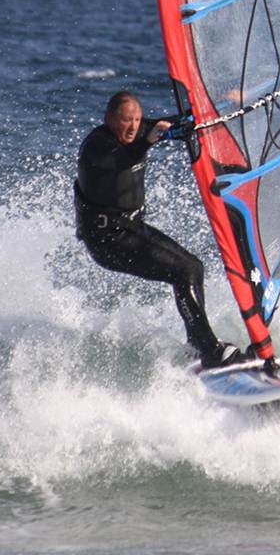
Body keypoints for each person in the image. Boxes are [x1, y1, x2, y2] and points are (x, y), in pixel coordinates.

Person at [74, 90, 245, 370]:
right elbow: (122, 160)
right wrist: (148, 142)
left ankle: (197, 345)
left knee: (194, 267)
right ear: (110, 119)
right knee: (184, 271)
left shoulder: (139, 132)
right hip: (106, 241)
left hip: (131, 229)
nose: (132, 127)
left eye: (137, 120)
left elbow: (179, 122)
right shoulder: (97, 145)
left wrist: (223, 106)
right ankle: (210, 351)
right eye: (126, 120)